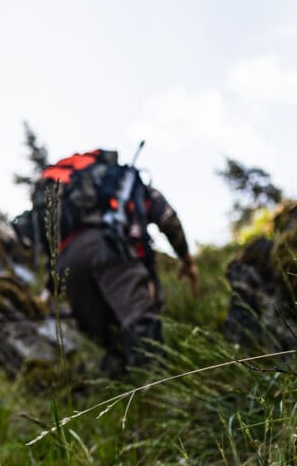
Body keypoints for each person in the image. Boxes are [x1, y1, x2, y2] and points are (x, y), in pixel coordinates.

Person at [49, 156, 197, 372]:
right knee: (139, 317)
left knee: (104, 332)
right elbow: (167, 218)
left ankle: (119, 384)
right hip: (109, 247)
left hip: (66, 261)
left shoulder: (74, 201)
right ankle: (152, 387)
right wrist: (187, 260)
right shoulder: (133, 186)